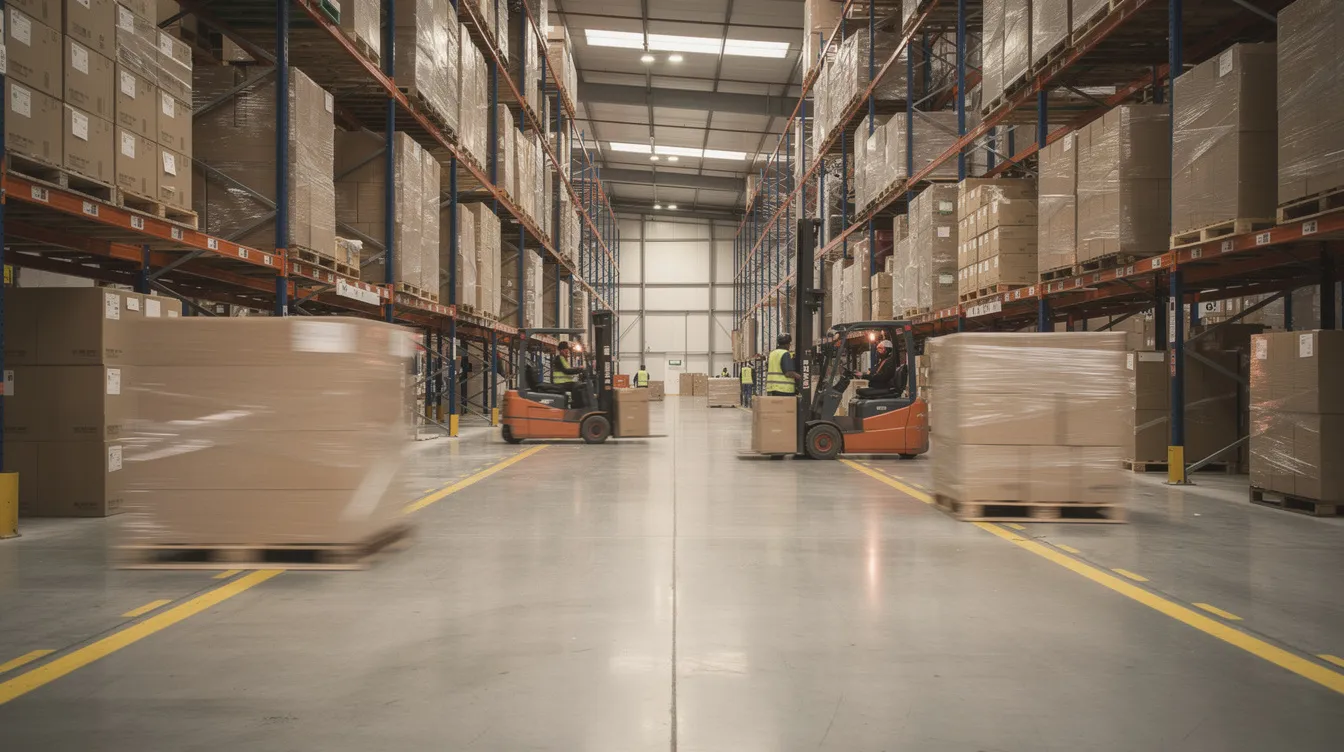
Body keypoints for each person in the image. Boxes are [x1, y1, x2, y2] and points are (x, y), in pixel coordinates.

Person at [552, 341, 587, 407]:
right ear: (561, 350)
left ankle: (576, 404)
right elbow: (566, 371)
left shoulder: (563, 359)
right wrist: (579, 369)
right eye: (566, 351)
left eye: (567, 351)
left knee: (578, 385)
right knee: (578, 386)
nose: (567, 352)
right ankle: (576, 406)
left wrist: (578, 369)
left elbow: (569, 369)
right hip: (561, 383)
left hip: (565, 382)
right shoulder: (559, 358)